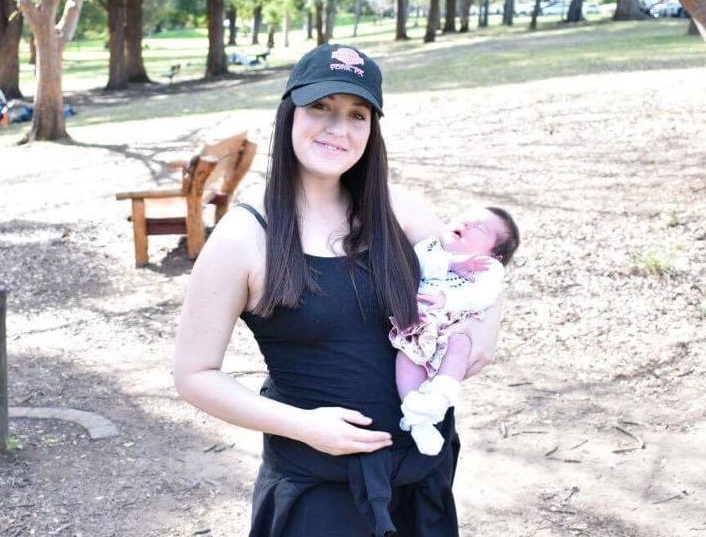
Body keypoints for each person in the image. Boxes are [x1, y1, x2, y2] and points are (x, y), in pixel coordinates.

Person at [173, 43, 503, 536]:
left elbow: (479, 272)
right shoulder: (245, 238)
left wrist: (486, 330)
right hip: (321, 497)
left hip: (421, 480)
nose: (337, 129)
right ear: (288, 115)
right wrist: (303, 426)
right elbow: (194, 375)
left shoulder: (393, 207)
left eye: (357, 114)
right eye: (320, 108)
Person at [390, 206, 520, 456]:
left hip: (455, 323)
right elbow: (417, 265)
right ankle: (418, 419)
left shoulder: (488, 268)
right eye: (464, 218)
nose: (466, 224)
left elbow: (484, 295)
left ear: (495, 253)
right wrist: (450, 262)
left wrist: (447, 301)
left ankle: (442, 395)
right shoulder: (430, 248)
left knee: (460, 346)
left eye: (479, 227)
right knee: (407, 359)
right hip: (421, 323)